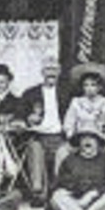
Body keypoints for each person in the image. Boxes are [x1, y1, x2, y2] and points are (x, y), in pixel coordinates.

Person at [19, 57, 71, 201]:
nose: (51, 73)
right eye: (48, 69)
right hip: (38, 136)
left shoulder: (66, 93)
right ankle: (38, 192)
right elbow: (21, 117)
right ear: (42, 72)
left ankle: (58, 192)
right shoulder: (31, 93)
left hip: (60, 137)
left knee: (64, 153)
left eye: (54, 69)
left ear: (59, 72)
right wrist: (28, 120)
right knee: (35, 150)